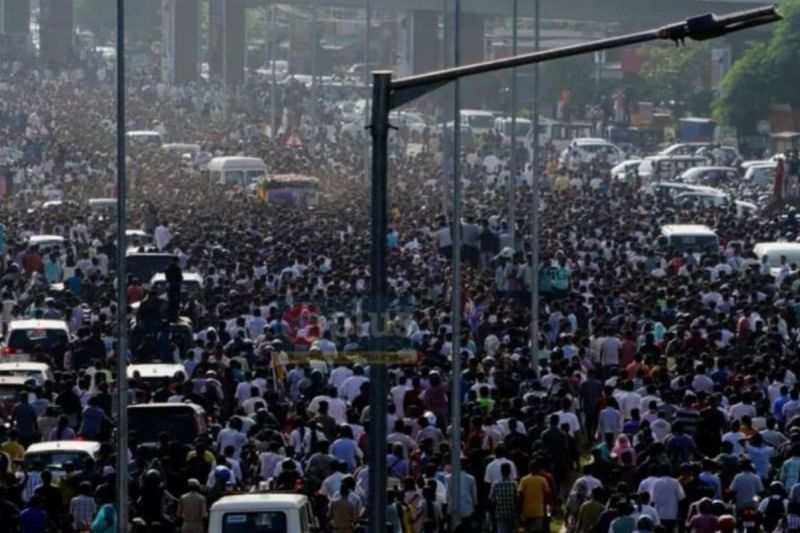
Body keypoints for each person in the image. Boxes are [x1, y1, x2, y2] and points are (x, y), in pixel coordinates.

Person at [490, 462, 517, 533]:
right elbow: (517, 497)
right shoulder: (514, 484)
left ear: (501, 471)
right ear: (510, 472)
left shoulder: (496, 484)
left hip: (500, 513)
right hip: (511, 512)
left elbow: (491, 498)